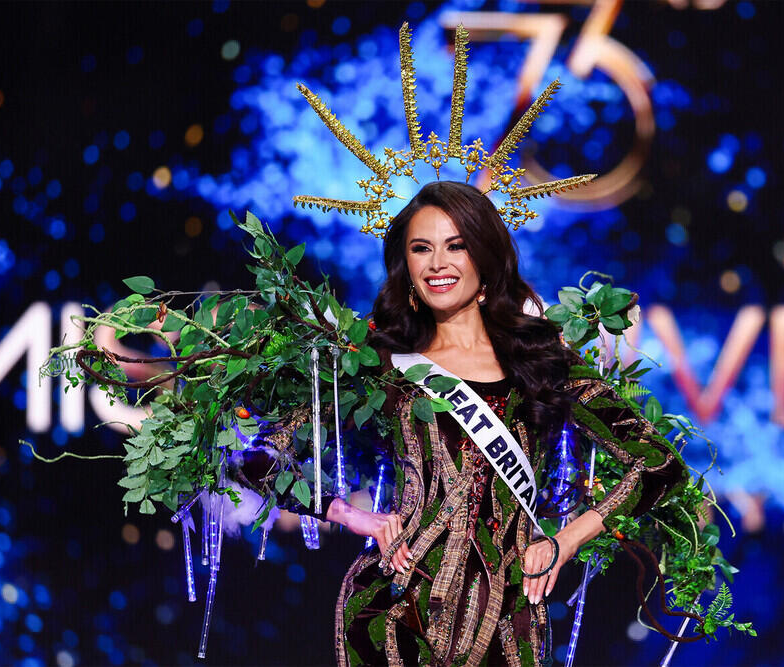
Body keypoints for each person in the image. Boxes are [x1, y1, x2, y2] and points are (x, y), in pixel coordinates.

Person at [241, 180, 685, 666]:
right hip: (394, 613)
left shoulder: (541, 359)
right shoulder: (379, 361)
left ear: (486, 255)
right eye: (421, 248)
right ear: (405, 265)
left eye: (456, 245)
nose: (437, 264)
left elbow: (659, 466)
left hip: (510, 618)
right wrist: (354, 516)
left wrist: (565, 540)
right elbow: (258, 458)